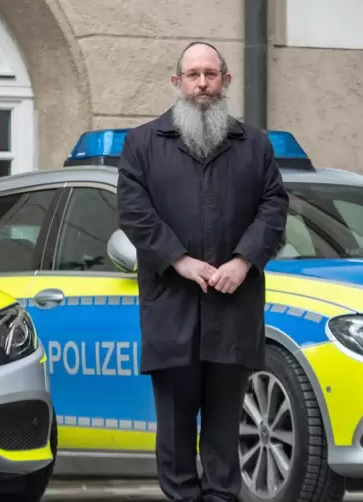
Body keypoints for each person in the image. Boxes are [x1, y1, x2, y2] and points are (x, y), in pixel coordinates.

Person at [116, 41, 289, 502]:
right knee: (174, 433)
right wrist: (178, 259)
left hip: (233, 307)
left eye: (210, 75)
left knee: (223, 432)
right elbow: (134, 213)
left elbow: (274, 208)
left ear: (226, 81)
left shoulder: (254, 145)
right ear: (177, 83)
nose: (202, 84)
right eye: (192, 75)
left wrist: (244, 260)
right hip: (171, 308)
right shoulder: (143, 144)